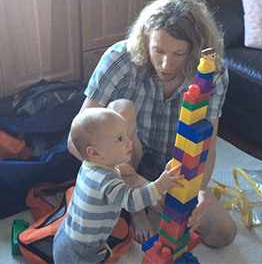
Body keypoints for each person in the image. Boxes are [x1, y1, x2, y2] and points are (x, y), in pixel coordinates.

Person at [68, 0, 237, 247]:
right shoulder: (119, 58)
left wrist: (197, 191)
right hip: (124, 161)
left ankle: (141, 202)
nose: (166, 64)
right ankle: (135, 210)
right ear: (146, 40)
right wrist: (135, 180)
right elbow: (75, 141)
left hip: (172, 166)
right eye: (158, 50)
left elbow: (207, 145)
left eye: (179, 54)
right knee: (121, 109)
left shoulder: (212, 72)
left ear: (195, 51)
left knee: (224, 234)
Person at [53, 107, 184, 263]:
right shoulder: (107, 181)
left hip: (66, 235)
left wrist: (118, 168)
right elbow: (132, 201)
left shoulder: (90, 165)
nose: (129, 143)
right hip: (82, 251)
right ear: (95, 153)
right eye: (120, 139)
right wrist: (161, 184)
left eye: (127, 135)